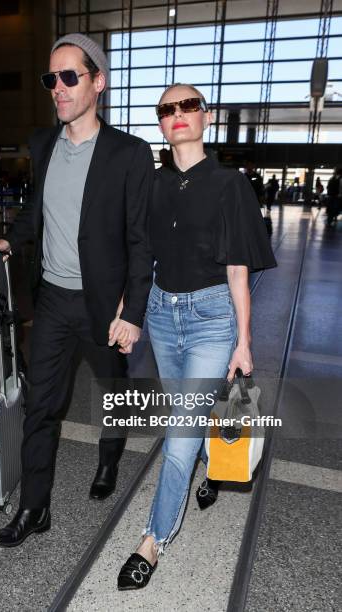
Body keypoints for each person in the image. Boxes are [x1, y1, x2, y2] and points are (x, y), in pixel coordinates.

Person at [0, 33, 154, 548]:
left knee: (114, 389)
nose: (56, 88)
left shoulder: (129, 152)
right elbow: (37, 210)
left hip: (106, 306)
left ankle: (109, 455)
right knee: (41, 408)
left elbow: (140, 237)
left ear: (97, 82)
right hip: (54, 301)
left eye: (68, 77)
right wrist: (12, 240)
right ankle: (34, 509)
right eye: (50, 79)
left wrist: (134, 311)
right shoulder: (42, 145)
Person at [117, 83, 276, 590]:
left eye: (188, 106)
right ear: (161, 123)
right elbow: (143, 258)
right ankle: (211, 468)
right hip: (163, 316)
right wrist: (130, 309)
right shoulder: (153, 185)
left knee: (180, 433)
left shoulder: (230, 184)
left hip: (212, 318)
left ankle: (152, 540)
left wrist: (244, 342)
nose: (178, 114)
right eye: (168, 109)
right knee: (189, 413)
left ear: (205, 117)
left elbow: (237, 271)